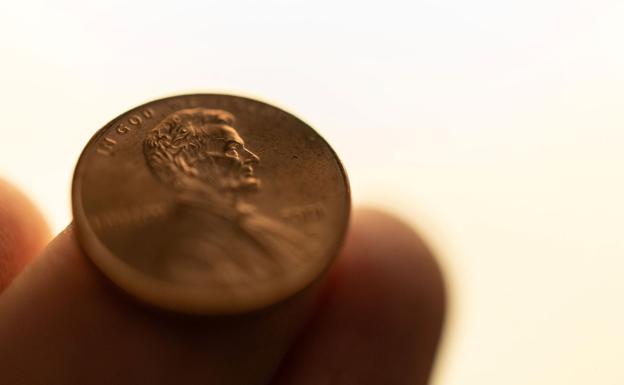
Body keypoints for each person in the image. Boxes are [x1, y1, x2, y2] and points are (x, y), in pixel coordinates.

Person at [0, 177, 446, 384]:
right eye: (228, 150)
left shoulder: (268, 233)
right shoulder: (185, 249)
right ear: (188, 167)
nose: (249, 158)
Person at [143, 107, 311, 284]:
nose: (253, 157)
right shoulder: (190, 250)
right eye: (232, 148)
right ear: (186, 164)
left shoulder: (258, 226)